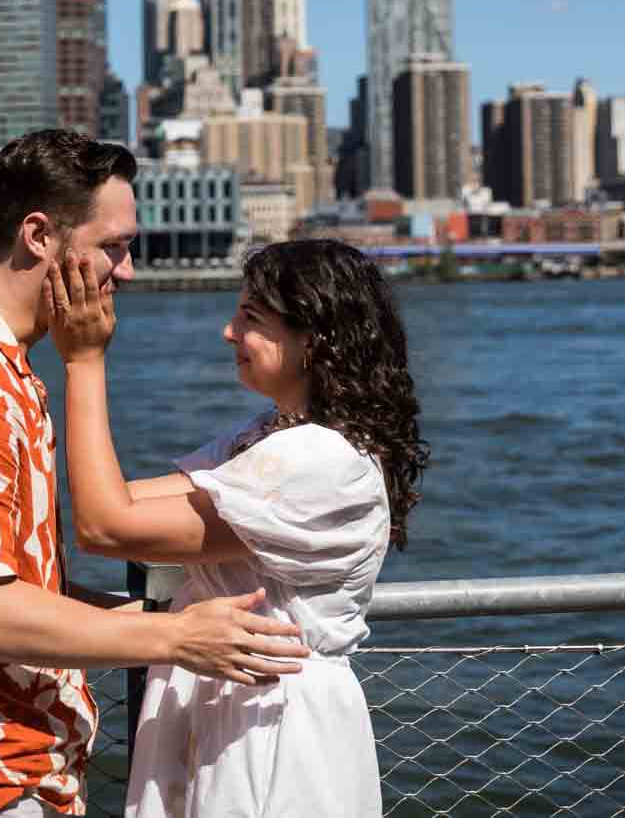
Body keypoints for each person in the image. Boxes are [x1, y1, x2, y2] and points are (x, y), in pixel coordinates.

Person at [0, 129, 311, 818]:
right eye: (112, 246)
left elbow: (21, 589)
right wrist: (178, 638)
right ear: (38, 235)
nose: (125, 270)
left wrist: (168, 615)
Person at [46, 237, 430, 818]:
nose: (229, 333)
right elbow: (110, 505)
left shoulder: (319, 460)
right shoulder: (267, 436)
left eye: (250, 317)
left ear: (311, 338)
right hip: (228, 704)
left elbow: (106, 525)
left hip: (269, 725)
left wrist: (83, 361)